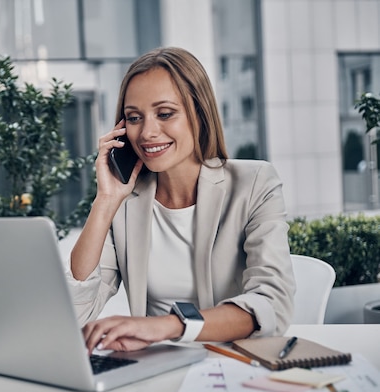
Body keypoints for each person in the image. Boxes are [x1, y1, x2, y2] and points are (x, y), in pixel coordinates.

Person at [67, 46, 295, 355]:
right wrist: (105, 200)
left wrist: (168, 326)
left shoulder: (254, 183)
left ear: (199, 114)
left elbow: (271, 302)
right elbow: (77, 312)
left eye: (165, 114)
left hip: (235, 361)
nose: (147, 132)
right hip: (154, 365)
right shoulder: (125, 199)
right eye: (134, 117)